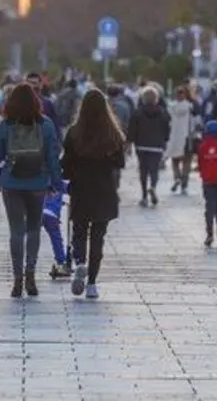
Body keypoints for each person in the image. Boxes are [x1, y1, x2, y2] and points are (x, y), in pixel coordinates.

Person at [0, 84, 64, 298]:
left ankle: (17, 279)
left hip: (11, 183)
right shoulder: (46, 124)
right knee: (33, 230)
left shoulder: (6, 125)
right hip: (37, 183)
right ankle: (30, 274)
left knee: (16, 231)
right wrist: (56, 183)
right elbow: (53, 157)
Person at [61, 89, 125, 299]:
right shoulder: (112, 134)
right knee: (98, 236)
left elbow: (66, 164)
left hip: (81, 188)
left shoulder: (74, 132)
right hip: (104, 189)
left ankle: (80, 262)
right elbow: (120, 162)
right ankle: (92, 284)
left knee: (79, 231)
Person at [127, 86, 170, 208]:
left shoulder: (137, 113)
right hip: (157, 145)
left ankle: (144, 196)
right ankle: (153, 187)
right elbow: (167, 128)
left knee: (143, 170)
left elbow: (132, 129)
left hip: (141, 145)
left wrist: (129, 143)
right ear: (156, 98)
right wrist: (165, 140)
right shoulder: (162, 112)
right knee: (154, 169)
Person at [167, 86, 194, 195]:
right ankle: (184, 184)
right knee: (187, 162)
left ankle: (177, 177)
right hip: (186, 137)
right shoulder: (190, 107)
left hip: (175, 137)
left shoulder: (170, 107)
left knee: (175, 161)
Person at [41, 179, 71, 279]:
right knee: (56, 239)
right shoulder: (59, 182)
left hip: (38, 212)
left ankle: (28, 264)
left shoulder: (41, 179)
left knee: (31, 236)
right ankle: (61, 263)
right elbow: (72, 189)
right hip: (51, 215)